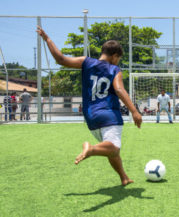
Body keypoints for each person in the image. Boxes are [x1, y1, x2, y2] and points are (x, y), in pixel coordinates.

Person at [37, 26, 142, 186]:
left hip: (91, 117)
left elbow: (61, 59)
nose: (118, 61)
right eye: (118, 58)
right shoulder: (114, 69)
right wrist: (134, 111)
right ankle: (90, 149)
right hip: (109, 115)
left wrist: (48, 39)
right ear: (115, 56)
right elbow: (119, 89)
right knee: (113, 148)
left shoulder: (86, 62)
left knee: (109, 149)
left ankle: (124, 177)